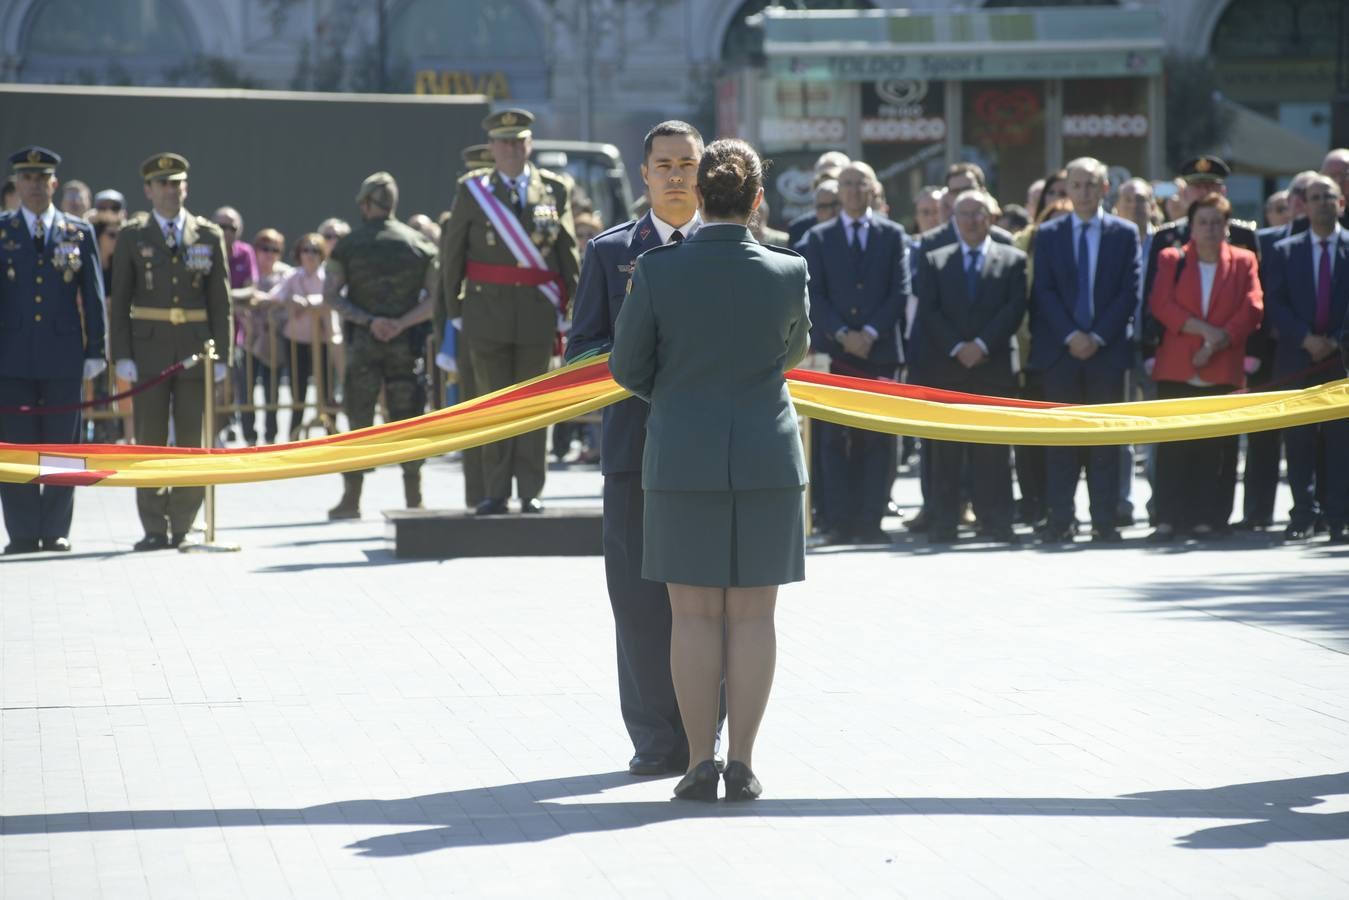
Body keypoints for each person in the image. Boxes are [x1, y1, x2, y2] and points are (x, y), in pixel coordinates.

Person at [609, 138, 810, 803]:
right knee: (752, 618)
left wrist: (678, 395)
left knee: (691, 618)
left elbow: (627, 369)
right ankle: (744, 761)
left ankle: (698, 761)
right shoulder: (787, 270)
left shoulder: (658, 271)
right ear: (757, 201)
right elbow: (794, 351)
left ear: (700, 194)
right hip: (766, 457)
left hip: (680, 459)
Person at [566, 119, 712, 777]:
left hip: (713, 454)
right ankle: (656, 737)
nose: (676, 175)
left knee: (709, 598)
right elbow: (583, 354)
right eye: (665, 165)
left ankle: (703, 731)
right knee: (638, 600)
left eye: (687, 163)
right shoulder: (608, 253)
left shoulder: (731, 249)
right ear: (645, 173)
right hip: (634, 451)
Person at [440, 107, 580, 515]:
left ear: (529, 144)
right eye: (503, 142)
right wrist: (455, 310)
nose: (511, 149)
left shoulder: (553, 189)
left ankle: (530, 490)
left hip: (537, 315)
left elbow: (566, 252)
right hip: (485, 314)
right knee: (494, 403)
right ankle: (495, 490)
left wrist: (572, 307)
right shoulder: (473, 190)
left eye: (518, 141)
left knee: (533, 406)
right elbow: (454, 255)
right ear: (492, 147)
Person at [108, 152, 231, 550]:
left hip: (196, 351)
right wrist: (121, 353)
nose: (170, 191)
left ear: (186, 187)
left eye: (177, 183)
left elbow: (220, 301)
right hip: (149, 351)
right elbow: (121, 299)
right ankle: (153, 526)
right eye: (162, 184)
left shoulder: (208, 234)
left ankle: (182, 521)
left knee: (192, 438)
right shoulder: (133, 235)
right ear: (148, 190)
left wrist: (223, 355)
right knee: (149, 438)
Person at [0, 147, 107, 554]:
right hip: (11, 355)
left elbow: (93, 295)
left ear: (53, 183)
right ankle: (23, 532)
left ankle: (57, 528)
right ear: (17, 184)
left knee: (63, 445)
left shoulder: (78, 231)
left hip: (63, 355)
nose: (33, 186)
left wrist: (96, 347)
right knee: (16, 444)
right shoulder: (4, 229)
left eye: (41, 178)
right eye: (26, 179)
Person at [1029, 157, 1140, 543]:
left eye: (1092, 184)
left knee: (1105, 442)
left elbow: (1129, 292)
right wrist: (1071, 336)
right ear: (1068, 189)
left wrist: (1096, 337)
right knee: (1061, 442)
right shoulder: (1049, 233)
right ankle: (1061, 519)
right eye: (1077, 185)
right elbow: (1043, 290)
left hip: (1106, 354)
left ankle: (1105, 521)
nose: (1084, 192)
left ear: (1105, 188)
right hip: (1062, 354)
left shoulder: (1124, 234)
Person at [800, 160, 909, 544]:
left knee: (878, 440)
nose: (853, 191)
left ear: (873, 189)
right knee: (832, 439)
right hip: (836, 352)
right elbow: (814, 294)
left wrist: (871, 332)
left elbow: (899, 290)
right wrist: (843, 332)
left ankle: (870, 521)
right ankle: (837, 521)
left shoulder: (893, 235)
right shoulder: (819, 237)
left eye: (861, 184)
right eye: (846, 184)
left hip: (879, 353)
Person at [1147, 194, 1263, 541]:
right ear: (1191, 227)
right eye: (1203, 222)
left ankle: (1210, 518)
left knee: (1217, 450)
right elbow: (1161, 305)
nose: (1210, 229)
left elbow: (1253, 307)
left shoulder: (1243, 261)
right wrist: (1206, 332)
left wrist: (1218, 341)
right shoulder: (1172, 258)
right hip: (1177, 368)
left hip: (1221, 366)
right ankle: (1168, 517)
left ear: (1227, 227)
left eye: (1217, 222)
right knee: (1172, 447)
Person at [913, 189, 1027, 544]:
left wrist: (980, 345)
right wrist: (956, 346)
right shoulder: (935, 258)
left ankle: (996, 522)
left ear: (991, 217)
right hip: (948, 370)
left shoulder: (1012, 259)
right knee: (945, 455)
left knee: (993, 453)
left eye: (979, 213)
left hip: (992, 369)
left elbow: (1014, 309)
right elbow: (929, 312)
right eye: (965, 214)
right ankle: (944, 523)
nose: (972, 221)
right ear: (954, 220)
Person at [323, 172, 440, 519]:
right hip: (406, 346)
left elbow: (331, 295)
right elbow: (435, 300)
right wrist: (401, 323)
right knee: (409, 423)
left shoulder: (348, 245)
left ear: (366, 204)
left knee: (358, 419)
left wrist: (369, 320)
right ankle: (414, 499)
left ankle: (351, 499)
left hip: (364, 344)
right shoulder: (421, 245)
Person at [1263, 174, 1349, 543]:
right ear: (1305, 204)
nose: (1322, 203)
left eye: (1329, 197)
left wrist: (1336, 341)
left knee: (1339, 442)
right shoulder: (1285, 250)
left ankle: (1338, 517)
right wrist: (1307, 339)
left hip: (1341, 361)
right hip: (1297, 358)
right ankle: (1302, 514)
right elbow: (1275, 303)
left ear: (1341, 203)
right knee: (1298, 441)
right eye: (1315, 197)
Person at [1112, 176, 1158, 528]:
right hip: (1120, 344)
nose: (1134, 206)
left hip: (1158, 347)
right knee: (1121, 428)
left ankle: (1160, 501)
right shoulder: (1113, 239)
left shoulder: (1164, 242)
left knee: (1159, 427)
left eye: (1141, 200)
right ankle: (1122, 500)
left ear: (1152, 205)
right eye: (1128, 200)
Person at [265, 233, 333, 440]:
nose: (310, 255)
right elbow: (275, 296)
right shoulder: (293, 276)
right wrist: (291, 300)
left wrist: (312, 302)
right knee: (298, 389)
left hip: (322, 341)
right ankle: (294, 436)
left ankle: (333, 434)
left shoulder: (327, 277)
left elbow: (334, 297)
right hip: (296, 341)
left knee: (327, 389)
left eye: (314, 250)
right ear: (299, 254)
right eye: (306, 250)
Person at [214, 206, 258, 444]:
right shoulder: (208, 250)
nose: (226, 231)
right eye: (221, 226)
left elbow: (252, 289)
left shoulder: (245, 253)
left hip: (239, 336)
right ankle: (217, 430)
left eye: (231, 226)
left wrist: (225, 295)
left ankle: (249, 434)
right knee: (217, 390)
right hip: (211, 335)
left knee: (241, 386)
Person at [242, 228, 291, 445]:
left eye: (275, 249)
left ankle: (271, 435)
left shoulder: (286, 274)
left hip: (275, 339)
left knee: (273, 390)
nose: (269, 253)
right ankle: (249, 434)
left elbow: (285, 301)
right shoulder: (249, 272)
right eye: (264, 248)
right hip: (248, 339)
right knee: (246, 389)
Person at [786, 151, 849, 248]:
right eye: (822, 178)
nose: (827, 185)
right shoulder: (799, 229)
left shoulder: (865, 224)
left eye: (834, 178)